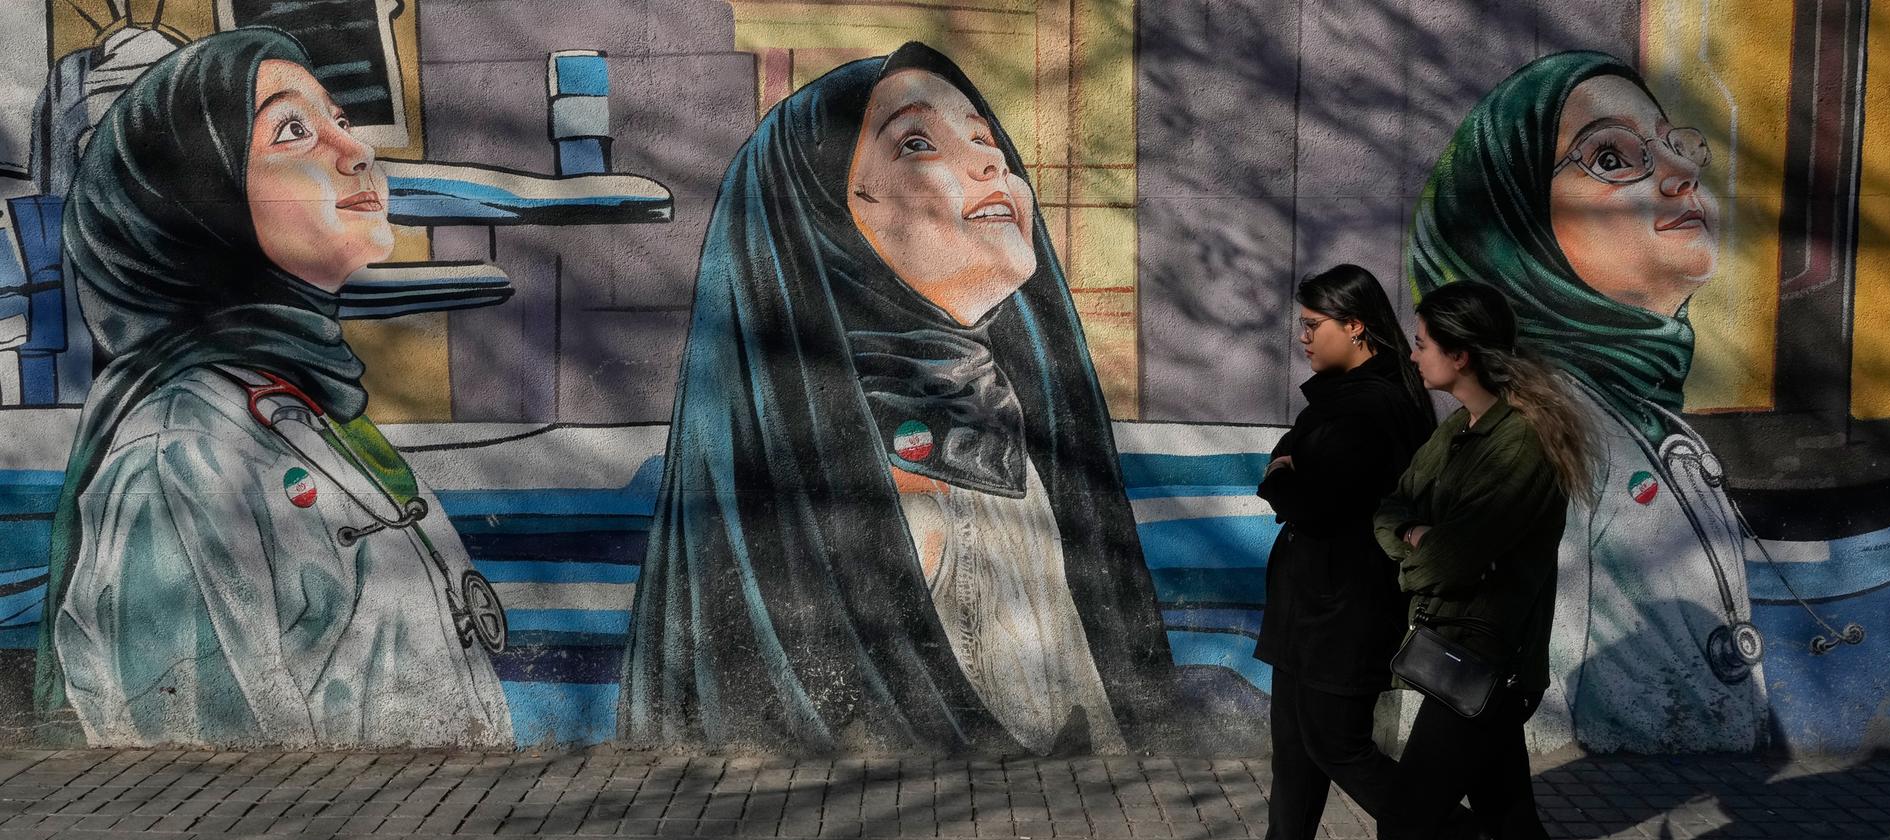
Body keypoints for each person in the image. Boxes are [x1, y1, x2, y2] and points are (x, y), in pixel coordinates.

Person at [620, 42, 1171, 755]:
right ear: (829, 216)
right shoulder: (827, 484)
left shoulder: (1021, 432)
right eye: (917, 142)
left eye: (985, 137)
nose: (991, 161)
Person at [35, 29, 513, 748]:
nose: (357, 151)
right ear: (196, 203)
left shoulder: (297, 408)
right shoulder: (182, 457)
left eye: (341, 121)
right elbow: (201, 775)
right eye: (294, 130)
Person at [1235, 282, 1599, 840]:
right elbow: (1393, 507)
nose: (1417, 353)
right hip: (1461, 658)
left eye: (1427, 342)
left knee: (1404, 833)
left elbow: (1449, 560)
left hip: (1485, 664)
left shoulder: (1519, 443)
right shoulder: (1465, 426)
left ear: (1461, 354)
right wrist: (1415, 537)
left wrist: (1421, 549)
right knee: (1514, 820)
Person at [1408, 51, 1764, 753]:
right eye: (1610, 158)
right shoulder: (1547, 422)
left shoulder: (1638, 405)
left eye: (1674, 142)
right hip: (1599, 774)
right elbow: (1534, 630)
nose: (1682, 171)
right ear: (1514, 231)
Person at [1207, 265, 1496, 840]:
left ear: (1355, 326)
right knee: (1293, 742)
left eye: (1314, 326)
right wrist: (1289, 465)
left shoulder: (1372, 408)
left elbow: (1315, 500)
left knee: (1339, 745)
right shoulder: (1349, 400)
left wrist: (1282, 479)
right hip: (1315, 600)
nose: (1303, 338)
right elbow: (1298, 459)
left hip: (1348, 605)